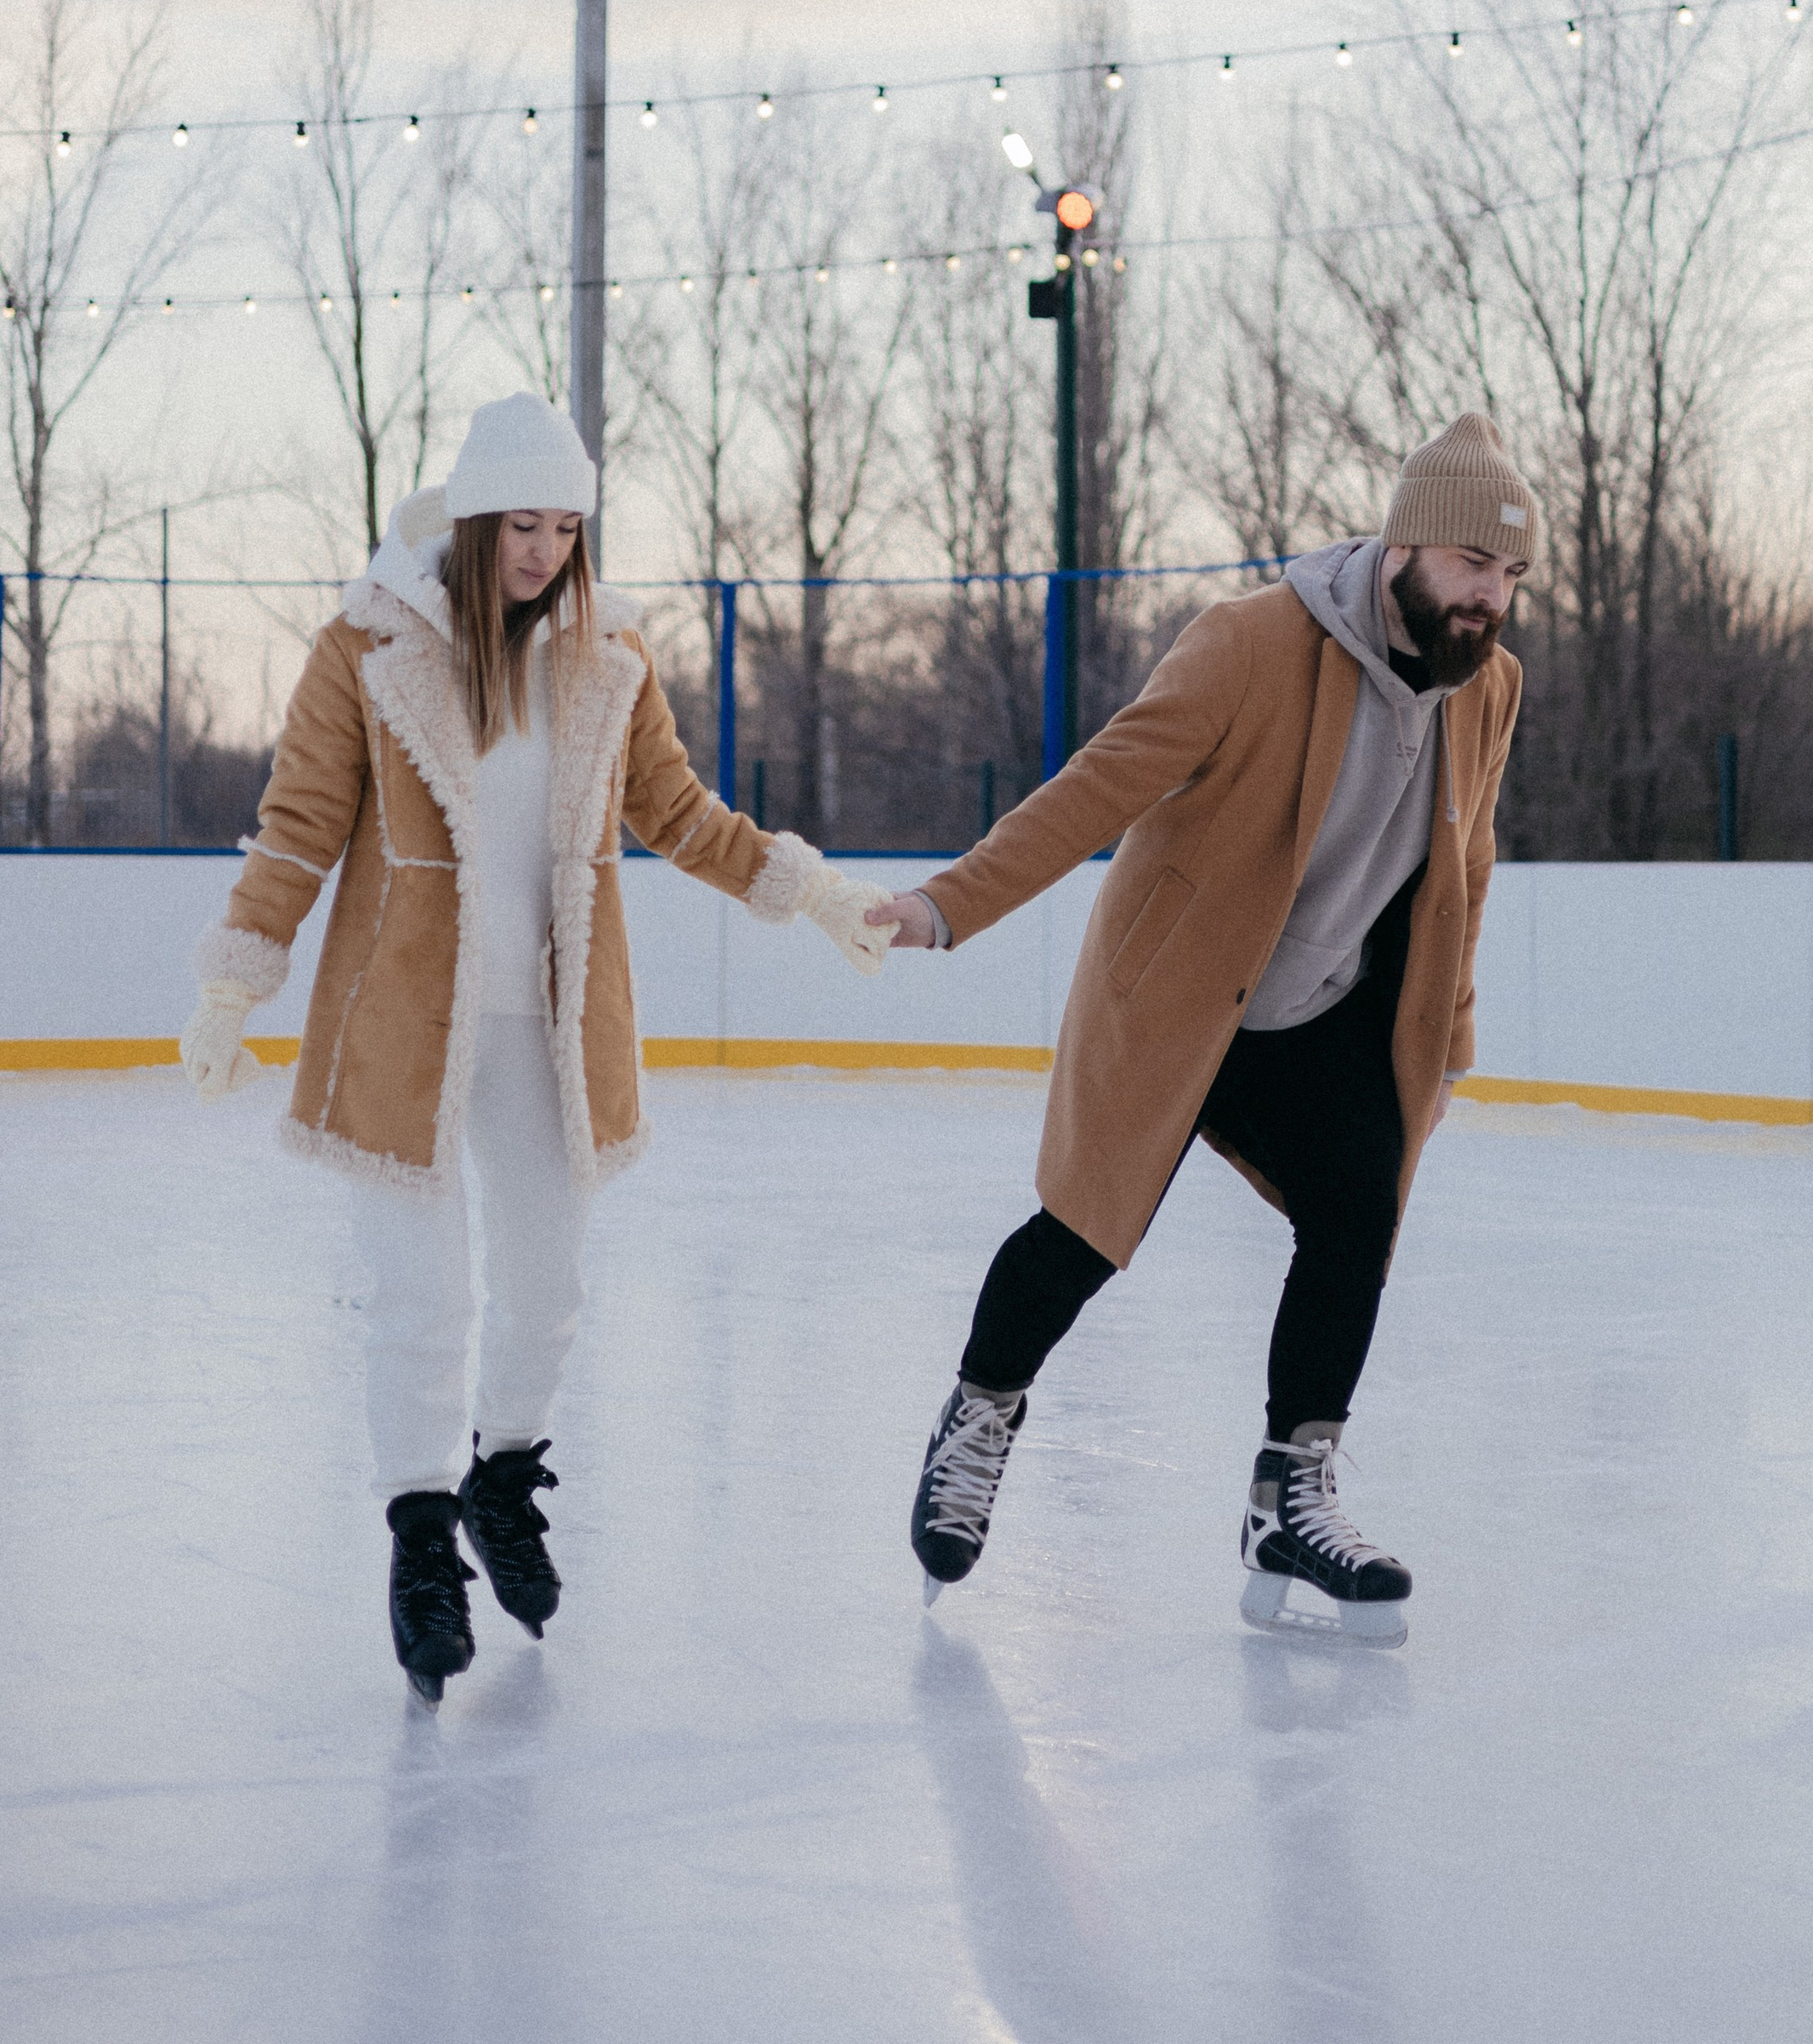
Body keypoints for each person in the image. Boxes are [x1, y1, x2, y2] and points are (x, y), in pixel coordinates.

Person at [179, 392, 891, 1706]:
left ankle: (504, 1476)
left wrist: (819, 892)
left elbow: (679, 813)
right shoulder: (366, 647)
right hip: (400, 1026)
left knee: (550, 1280)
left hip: (550, 1023)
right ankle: (418, 1538)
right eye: (523, 524)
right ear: (468, 519)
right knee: (421, 1295)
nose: (544, 552)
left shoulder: (604, 654)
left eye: (567, 527)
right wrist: (240, 978)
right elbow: (295, 826)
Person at [878, 410, 1533, 1647]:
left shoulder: (1485, 686)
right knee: (1083, 1235)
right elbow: (1100, 787)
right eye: (1470, 568)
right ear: (1404, 549)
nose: (1489, 600)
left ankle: (1293, 1495)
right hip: (1182, 995)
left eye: (1509, 577)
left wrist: (1449, 1024)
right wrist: (944, 905)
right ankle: (979, 1414)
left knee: (1358, 1216)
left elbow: (1470, 858)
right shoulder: (1250, 645)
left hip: (1328, 1010)